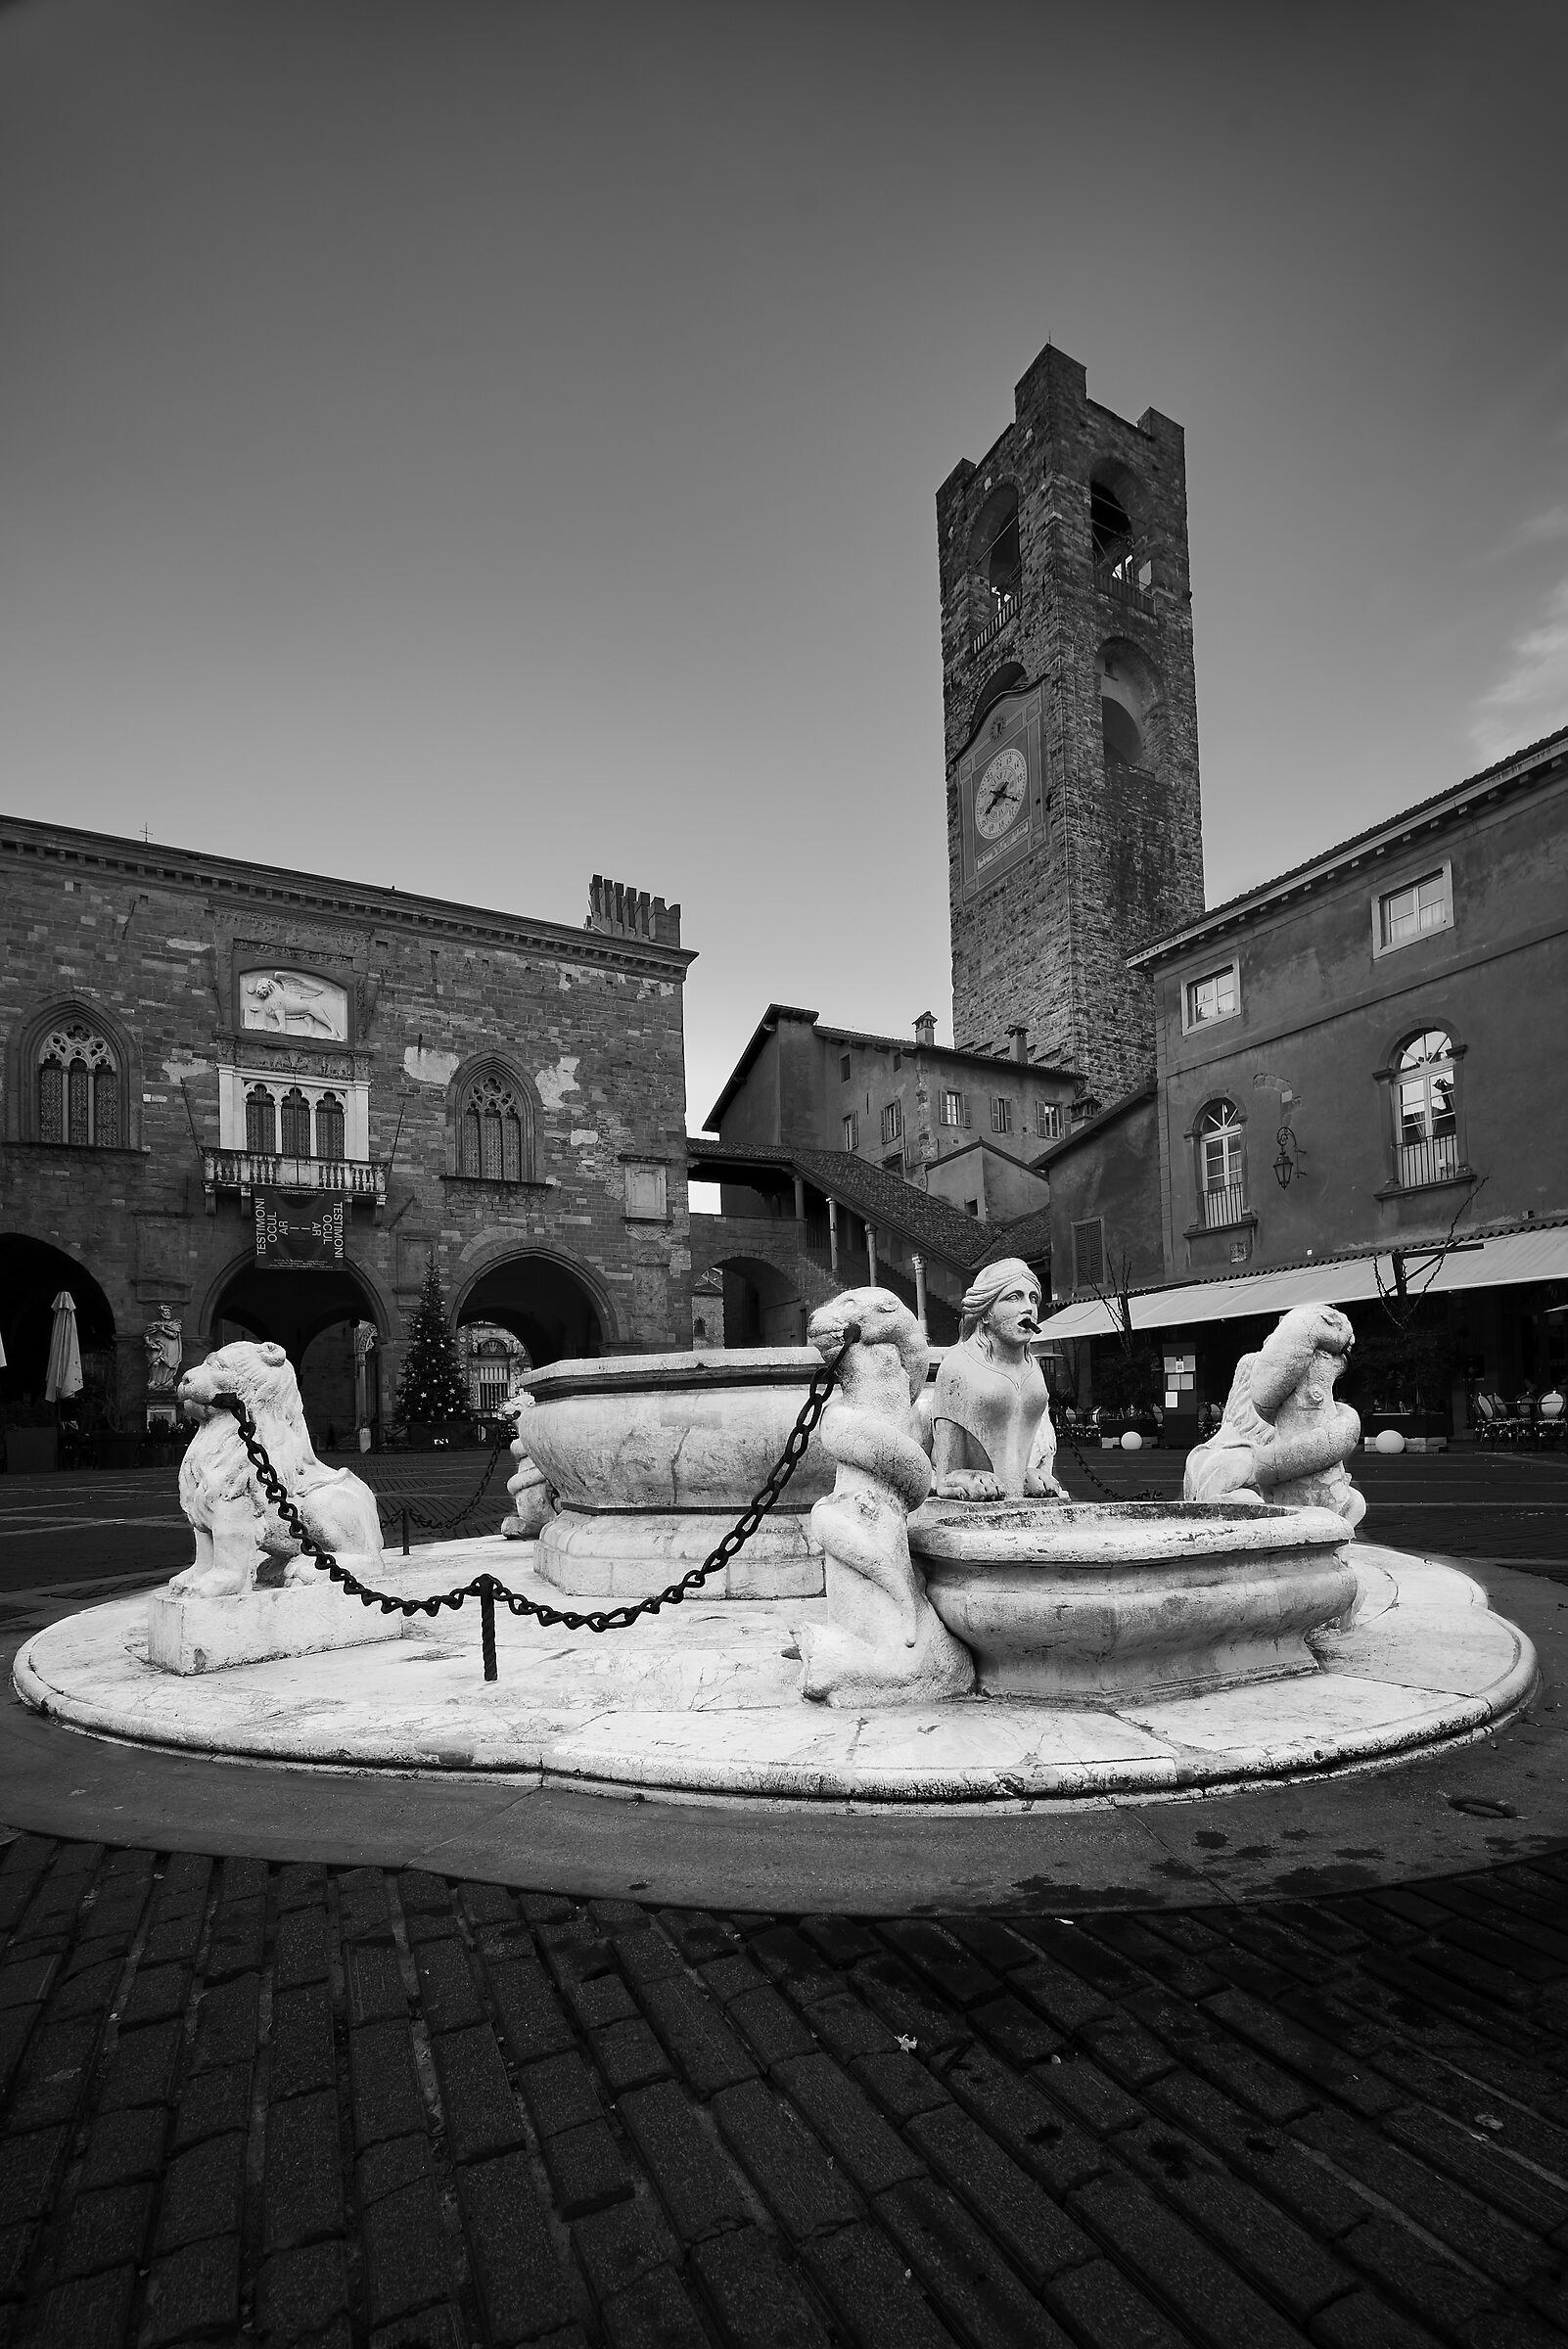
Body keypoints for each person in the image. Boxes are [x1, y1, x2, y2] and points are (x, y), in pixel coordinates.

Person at [930, 1258, 1067, 1501]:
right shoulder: (958, 1365)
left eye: (1033, 1298)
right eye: (1013, 1297)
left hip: (1012, 1487)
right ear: (984, 1314)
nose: (1028, 1308)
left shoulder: (1033, 1367)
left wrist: (1024, 1475)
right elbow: (946, 1471)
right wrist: (955, 1477)